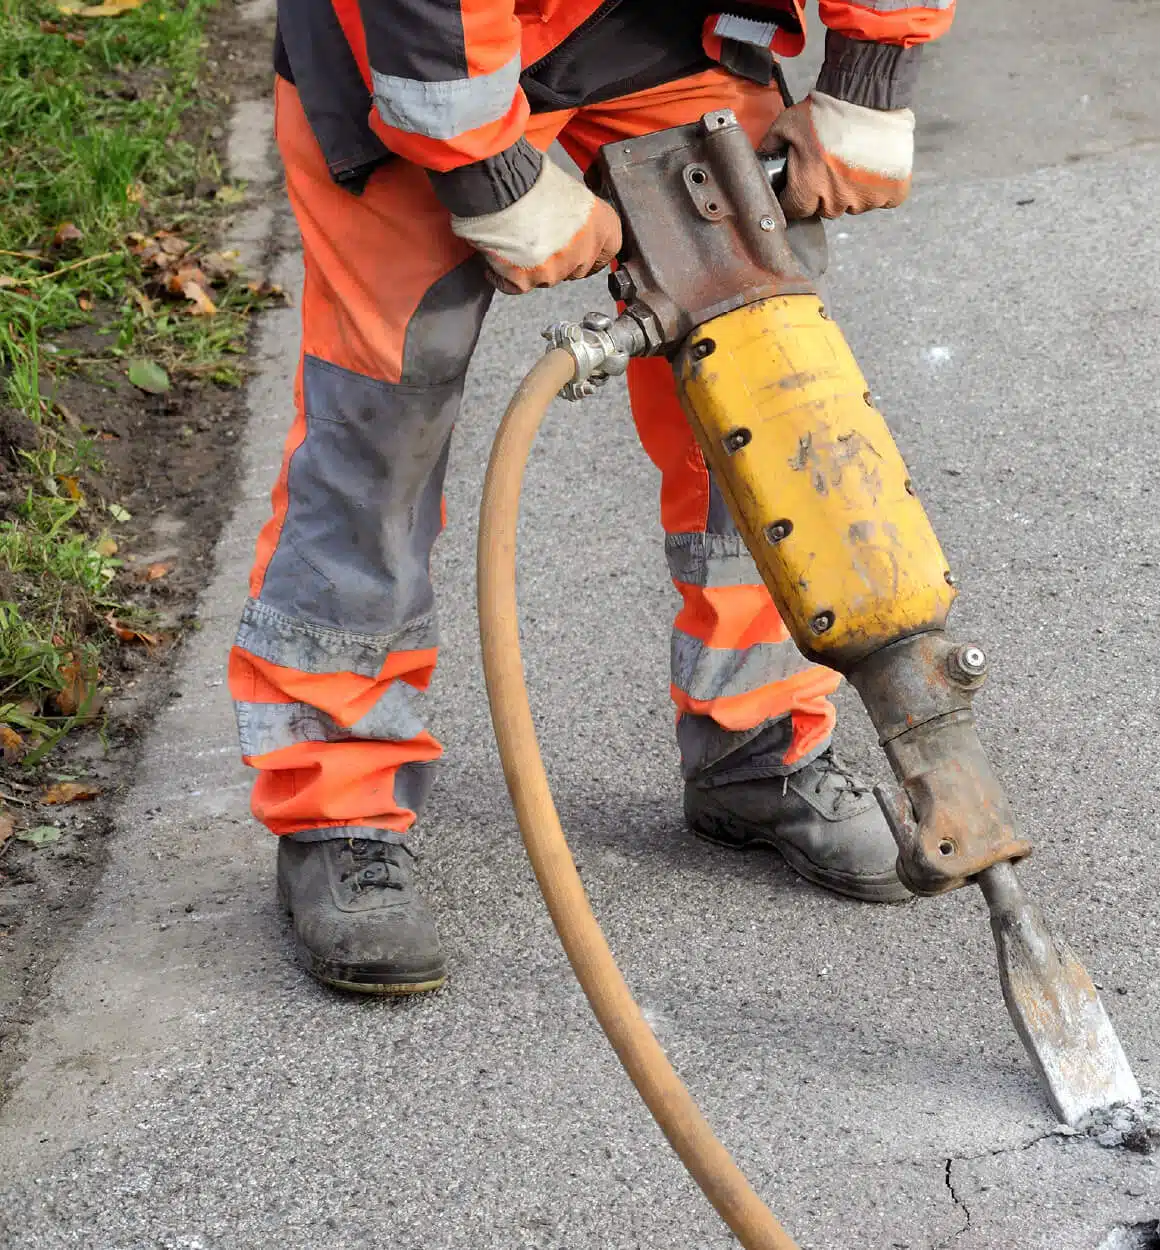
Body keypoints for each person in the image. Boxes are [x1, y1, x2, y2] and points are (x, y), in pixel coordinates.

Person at [238, 0, 946, 995]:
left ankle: (757, 737)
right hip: (409, 58)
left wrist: (874, 70)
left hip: (664, 26)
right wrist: (492, 176)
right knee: (382, 423)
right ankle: (337, 805)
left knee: (764, 374)